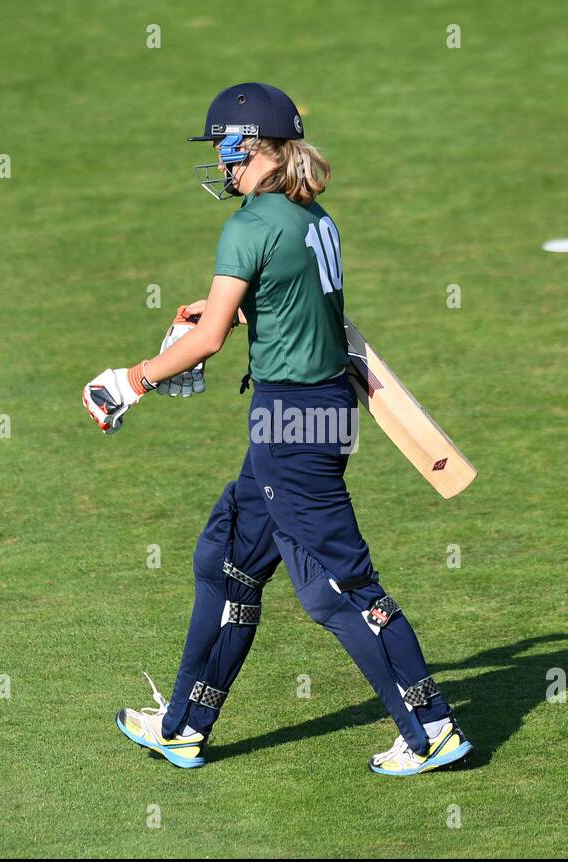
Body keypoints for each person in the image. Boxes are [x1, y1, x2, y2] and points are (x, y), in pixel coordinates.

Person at [84, 82, 471, 776]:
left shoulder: (250, 224)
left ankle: (431, 726)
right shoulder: (310, 216)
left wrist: (132, 380)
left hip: (291, 426)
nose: (220, 162)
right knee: (225, 559)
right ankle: (182, 725)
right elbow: (279, 304)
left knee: (341, 590)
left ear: (250, 145)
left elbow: (205, 345)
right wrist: (221, 310)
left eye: (224, 148)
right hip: (310, 416)